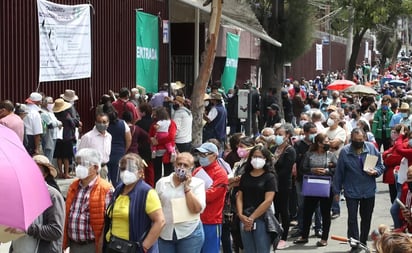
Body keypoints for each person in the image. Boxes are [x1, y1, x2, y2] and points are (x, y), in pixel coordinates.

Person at [332, 128, 385, 253]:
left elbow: (381, 166)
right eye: (356, 140)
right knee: (352, 219)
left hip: (368, 190)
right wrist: (336, 191)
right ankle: (354, 244)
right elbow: (339, 173)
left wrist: (375, 171)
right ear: (351, 139)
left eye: (361, 140)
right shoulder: (345, 151)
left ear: (365, 138)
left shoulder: (371, 148)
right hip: (351, 190)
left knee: (366, 218)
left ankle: (362, 242)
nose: (358, 142)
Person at [103, 153, 165, 253]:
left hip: (134, 248)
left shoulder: (147, 192)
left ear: (140, 172)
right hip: (114, 246)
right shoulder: (119, 189)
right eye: (123, 169)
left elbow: (160, 221)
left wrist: (145, 246)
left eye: (130, 169)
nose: (125, 172)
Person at [10, 155, 65, 253]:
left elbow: (56, 231)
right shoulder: (20, 194)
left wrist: (27, 228)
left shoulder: (53, 196)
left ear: (45, 174)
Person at [63, 148, 114, 253]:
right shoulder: (74, 186)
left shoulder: (106, 189)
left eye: (82, 164)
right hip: (73, 245)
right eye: (77, 164)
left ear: (95, 167)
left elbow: (109, 222)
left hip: (92, 246)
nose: (78, 167)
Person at [155, 152, 206, 252]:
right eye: (179, 164)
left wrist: (187, 187)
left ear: (191, 167)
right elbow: (156, 207)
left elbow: (197, 209)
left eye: (185, 165)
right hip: (165, 233)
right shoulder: (162, 183)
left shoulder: (197, 184)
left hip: (189, 233)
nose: (181, 167)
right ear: (174, 164)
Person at [293, 133, 337, 247]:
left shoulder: (331, 155)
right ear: (318, 143)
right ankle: (304, 236)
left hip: (326, 187)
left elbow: (337, 170)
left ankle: (324, 238)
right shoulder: (309, 154)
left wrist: (327, 171)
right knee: (307, 212)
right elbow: (302, 169)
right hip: (311, 186)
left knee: (325, 213)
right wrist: (313, 170)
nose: (327, 144)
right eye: (325, 142)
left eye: (328, 141)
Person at [236, 145, 277, 253]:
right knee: (248, 249)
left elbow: (268, 200)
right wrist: (241, 215)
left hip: (261, 219)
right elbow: (240, 196)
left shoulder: (270, 177)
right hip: (244, 218)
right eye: (254, 156)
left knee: (262, 249)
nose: (256, 159)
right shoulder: (245, 176)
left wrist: (252, 218)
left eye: (260, 157)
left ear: (266, 159)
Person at [192, 142, 228, 253]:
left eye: (205, 154)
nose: (201, 157)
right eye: (200, 154)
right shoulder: (197, 170)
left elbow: (209, 196)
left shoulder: (221, 174)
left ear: (214, 155)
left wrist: (190, 194)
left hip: (211, 221)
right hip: (195, 219)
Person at [272, 123, 296, 249]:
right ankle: (274, 234)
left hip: (283, 185)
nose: (277, 137)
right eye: (276, 134)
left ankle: (284, 236)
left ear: (287, 136)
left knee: (283, 210)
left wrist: (272, 174)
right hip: (272, 185)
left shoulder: (290, 150)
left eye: (280, 135)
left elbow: (286, 170)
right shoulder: (273, 149)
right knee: (274, 210)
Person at [292, 122, 318, 238]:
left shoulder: (318, 144)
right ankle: (301, 228)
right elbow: (295, 161)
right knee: (302, 204)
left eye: (315, 132)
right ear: (305, 132)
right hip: (301, 178)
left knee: (317, 206)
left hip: (315, 178)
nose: (314, 135)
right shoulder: (298, 145)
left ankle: (318, 228)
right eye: (311, 133)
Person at [103, 103, 132, 186]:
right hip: (119, 154)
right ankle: (118, 197)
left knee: (104, 180)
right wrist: (124, 150)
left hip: (105, 155)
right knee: (117, 180)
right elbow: (129, 139)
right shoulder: (123, 124)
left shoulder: (102, 125)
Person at [78, 113, 112, 180]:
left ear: (108, 123)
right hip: (91, 170)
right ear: (95, 123)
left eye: (104, 122)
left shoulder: (109, 136)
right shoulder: (88, 137)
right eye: (99, 122)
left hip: (103, 169)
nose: (101, 124)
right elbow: (79, 156)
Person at [149, 107, 177, 183]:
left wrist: (158, 142)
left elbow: (171, 136)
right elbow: (150, 134)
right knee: (157, 173)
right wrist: (151, 139)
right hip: (157, 152)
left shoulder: (171, 123)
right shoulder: (154, 124)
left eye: (155, 115)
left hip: (167, 153)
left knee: (168, 173)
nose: (154, 116)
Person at [53, 98, 79, 179]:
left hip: (57, 137)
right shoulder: (67, 114)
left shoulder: (54, 114)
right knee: (66, 157)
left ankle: (60, 172)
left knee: (59, 156)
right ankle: (66, 173)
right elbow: (73, 124)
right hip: (67, 136)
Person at [40, 97, 62, 163]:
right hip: (48, 137)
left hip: (54, 136)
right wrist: (59, 123)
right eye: (49, 102)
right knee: (48, 154)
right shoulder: (43, 113)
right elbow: (51, 124)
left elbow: (55, 121)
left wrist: (58, 123)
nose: (51, 104)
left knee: (51, 155)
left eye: (52, 102)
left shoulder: (51, 112)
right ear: (45, 103)